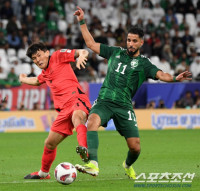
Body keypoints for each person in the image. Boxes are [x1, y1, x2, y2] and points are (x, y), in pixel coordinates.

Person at [73, 6, 192, 179]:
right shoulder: (115, 52)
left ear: (141, 43)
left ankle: (127, 165)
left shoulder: (144, 64)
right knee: (92, 121)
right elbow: (90, 44)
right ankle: (93, 164)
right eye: (129, 40)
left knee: (135, 147)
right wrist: (82, 21)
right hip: (105, 101)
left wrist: (175, 78)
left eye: (134, 41)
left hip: (124, 106)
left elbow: (161, 74)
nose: (130, 44)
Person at [19, 42, 92, 179]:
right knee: (49, 143)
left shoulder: (58, 56)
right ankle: (43, 173)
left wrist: (82, 56)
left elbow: (82, 51)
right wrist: (23, 79)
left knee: (77, 116)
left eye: (39, 55)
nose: (37, 60)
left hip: (76, 99)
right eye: (34, 58)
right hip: (64, 110)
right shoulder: (44, 73)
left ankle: (85, 150)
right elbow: (36, 81)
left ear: (47, 52)